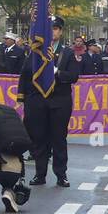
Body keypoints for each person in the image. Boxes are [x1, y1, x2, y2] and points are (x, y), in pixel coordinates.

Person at [20, 16, 81, 187]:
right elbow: (25, 75)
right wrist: (22, 97)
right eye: (49, 28)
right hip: (38, 101)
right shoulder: (35, 51)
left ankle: (61, 174)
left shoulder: (68, 53)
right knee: (39, 139)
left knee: (58, 138)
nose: (52, 32)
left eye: (55, 28)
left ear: (60, 31)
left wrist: (56, 72)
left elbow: (74, 76)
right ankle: (40, 174)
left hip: (59, 101)